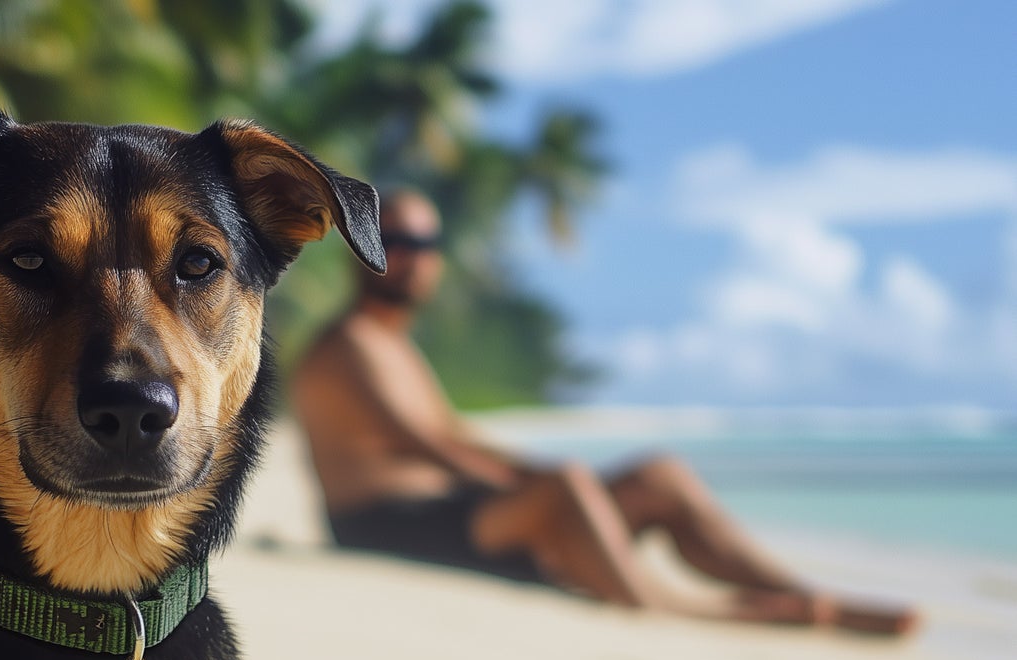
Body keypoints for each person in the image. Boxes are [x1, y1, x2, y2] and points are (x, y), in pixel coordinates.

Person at [291, 189, 918, 635]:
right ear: (362, 249)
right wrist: (549, 487)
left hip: (460, 516)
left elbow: (453, 436)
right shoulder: (351, 344)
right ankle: (674, 609)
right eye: (394, 240)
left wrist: (552, 482)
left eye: (424, 243)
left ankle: (807, 597)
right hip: (388, 524)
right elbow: (423, 446)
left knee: (659, 477)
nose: (410, 255)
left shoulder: (396, 346)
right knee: (566, 484)